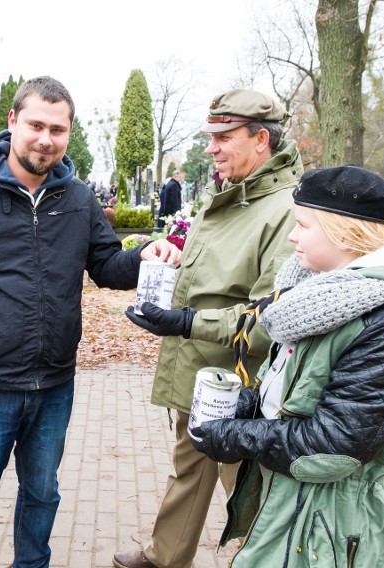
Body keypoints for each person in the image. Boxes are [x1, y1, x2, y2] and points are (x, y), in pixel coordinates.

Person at [0, 76, 181, 568]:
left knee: (43, 495)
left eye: (58, 129)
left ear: (68, 133)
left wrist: (146, 255)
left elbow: (107, 267)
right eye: (36, 125)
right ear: (12, 122)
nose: (45, 139)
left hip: (55, 383)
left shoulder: (77, 197)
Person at [188, 164, 384, 567]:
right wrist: (247, 404)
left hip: (321, 530)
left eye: (303, 225)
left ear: (344, 233)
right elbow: (299, 393)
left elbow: (335, 446)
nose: (292, 236)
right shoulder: (316, 300)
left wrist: (238, 435)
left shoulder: (380, 324)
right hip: (289, 508)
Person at [116, 88, 302, 568]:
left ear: (261, 139)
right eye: (211, 137)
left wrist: (185, 320)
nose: (212, 148)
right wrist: (175, 263)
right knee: (190, 467)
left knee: (248, 489)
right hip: (199, 366)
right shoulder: (228, 195)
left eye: (224, 136)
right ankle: (165, 556)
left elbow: (271, 316)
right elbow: (217, 275)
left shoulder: (283, 210)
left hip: (243, 383)